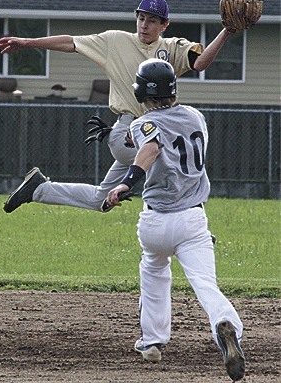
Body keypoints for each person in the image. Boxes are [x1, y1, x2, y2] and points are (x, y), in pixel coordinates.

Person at [0, 0, 234, 214]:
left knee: (102, 199)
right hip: (130, 131)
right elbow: (71, 43)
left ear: (164, 25)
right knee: (172, 160)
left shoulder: (172, 48)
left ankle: (39, 190)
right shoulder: (115, 41)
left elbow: (200, 63)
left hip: (153, 130)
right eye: (141, 18)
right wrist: (28, 42)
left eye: (152, 20)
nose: (144, 25)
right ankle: (190, 227)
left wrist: (226, 31)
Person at [105, 58, 245, 381]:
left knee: (154, 270)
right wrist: (138, 136)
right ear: (173, 89)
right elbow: (164, 136)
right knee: (205, 283)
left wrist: (127, 181)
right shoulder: (196, 117)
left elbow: (152, 147)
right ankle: (226, 325)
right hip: (192, 220)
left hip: (156, 222)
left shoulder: (142, 124)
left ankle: (152, 342)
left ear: (140, 93)